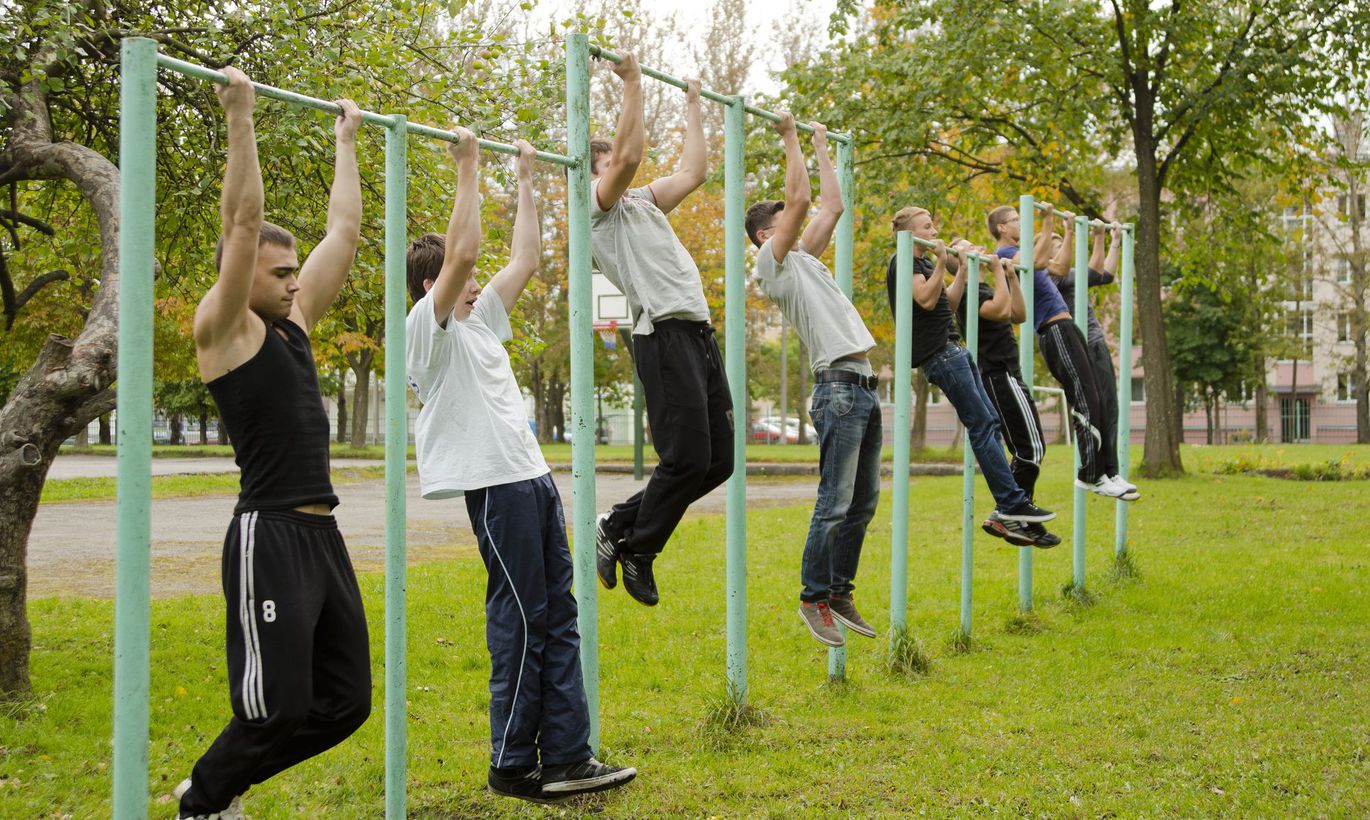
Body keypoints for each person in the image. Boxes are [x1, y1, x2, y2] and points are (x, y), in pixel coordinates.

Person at [405, 133, 635, 803]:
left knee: (560, 615)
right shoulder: (428, 330)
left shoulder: (479, 323)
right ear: (432, 285)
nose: (478, 282)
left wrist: (528, 179)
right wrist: (469, 169)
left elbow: (526, 257)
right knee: (523, 620)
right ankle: (510, 764)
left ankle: (568, 756)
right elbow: (465, 253)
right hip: (495, 489)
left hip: (532, 478)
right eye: (464, 278)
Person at [175, 69, 371, 819]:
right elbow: (242, 221)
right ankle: (205, 802)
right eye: (280, 272)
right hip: (270, 531)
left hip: (322, 535)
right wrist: (241, 115)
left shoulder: (294, 324)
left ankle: (217, 787)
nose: (295, 283)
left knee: (346, 702)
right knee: (274, 706)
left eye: (296, 273)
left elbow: (344, 234)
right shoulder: (224, 328)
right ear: (243, 274)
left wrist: (346, 142)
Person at [589, 53, 734, 607]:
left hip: (698, 334)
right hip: (662, 335)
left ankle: (618, 523)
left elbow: (695, 172)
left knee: (719, 461)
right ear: (593, 174)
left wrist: (693, 104)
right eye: (607, 166)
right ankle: (639, 548)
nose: (621, 172)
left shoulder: (644, 202)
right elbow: (629, 156)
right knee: (686, 459)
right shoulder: (596, 208)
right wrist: (632, 82)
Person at [745, 114, 881, 647]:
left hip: (863, 386)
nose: (797, 226)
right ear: (766, 234)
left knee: (863, 502)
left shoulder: (806, 260)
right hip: (838, 390)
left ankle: (839, 590)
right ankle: (812, 597)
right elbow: (800, 201)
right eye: (786, 223)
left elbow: (833, 206)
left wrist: (821, 144)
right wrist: (790, 138)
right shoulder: (773, 263)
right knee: (835, 500)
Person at [886, 207, 1058, 543]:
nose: (934, 231)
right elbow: (924, 299)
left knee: (989, 423)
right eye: (927, 227)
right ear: (909, 233)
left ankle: (1012, 505)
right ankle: (1011, 504)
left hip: (954, 349)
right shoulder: (902, 261)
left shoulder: (924, 264)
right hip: (939, 354)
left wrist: (962, 271)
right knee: (982, 425)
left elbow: (945, 305)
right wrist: (942, 262)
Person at [985, 204, 1137, 500]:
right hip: (1053, 330)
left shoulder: (1024, 254)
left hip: (1066, 325)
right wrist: (1047, 221)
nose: (1020, 223)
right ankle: (1090, 475)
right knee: (1085, 399)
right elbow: (1040, 261)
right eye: (1016, 219)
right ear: (1002, 228)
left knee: (1097, 399)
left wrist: (1066, 231)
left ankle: (1106, 472)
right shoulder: (1005, 253)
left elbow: (1059, 267)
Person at [946, 243, 1060, 548]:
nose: (980, 247)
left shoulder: (985, 288)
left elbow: (1018, 314)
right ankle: (1008, 513)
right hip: (997, 374)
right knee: (1029, 448)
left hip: (1009, 372)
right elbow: (999, 310)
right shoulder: (968, 294)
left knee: (1030, 448)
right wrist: (998, 269)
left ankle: (1019, 519)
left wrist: (1010, 278)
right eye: (969, 247)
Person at [1051, 221, 1136, 497]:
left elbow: (1105, 275)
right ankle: (1101, 472)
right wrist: (1097, 238)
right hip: (1079, 344)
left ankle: (1111, 471)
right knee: (1094, 408)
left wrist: (1113, 241)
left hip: (1094, 342)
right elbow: (1094, 270)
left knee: (1109, 406)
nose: (1062, 251)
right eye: (1056, 248)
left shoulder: (1069, 275)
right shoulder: (1053, 276)